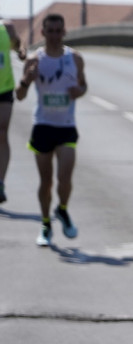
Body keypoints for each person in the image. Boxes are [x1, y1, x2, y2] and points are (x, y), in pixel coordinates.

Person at [16, 13, 85, 247]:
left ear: (64, 32)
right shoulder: (35, 60)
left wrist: (79, 91)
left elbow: (84, 85)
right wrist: (26, 80)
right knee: (46, 182)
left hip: (66, 126)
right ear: (43, 33)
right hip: (43, 126)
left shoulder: (74, 59)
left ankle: (62, 209)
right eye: (50, 31)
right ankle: (46, 224)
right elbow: (19, 95)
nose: (55, 36)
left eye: (59, 31)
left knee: (64, 178)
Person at [0, 16, 27, 204]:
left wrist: (21, 52)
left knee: (2, 133)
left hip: (4, 89)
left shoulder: (6, 27)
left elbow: (19, 47)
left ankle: (0, 182)